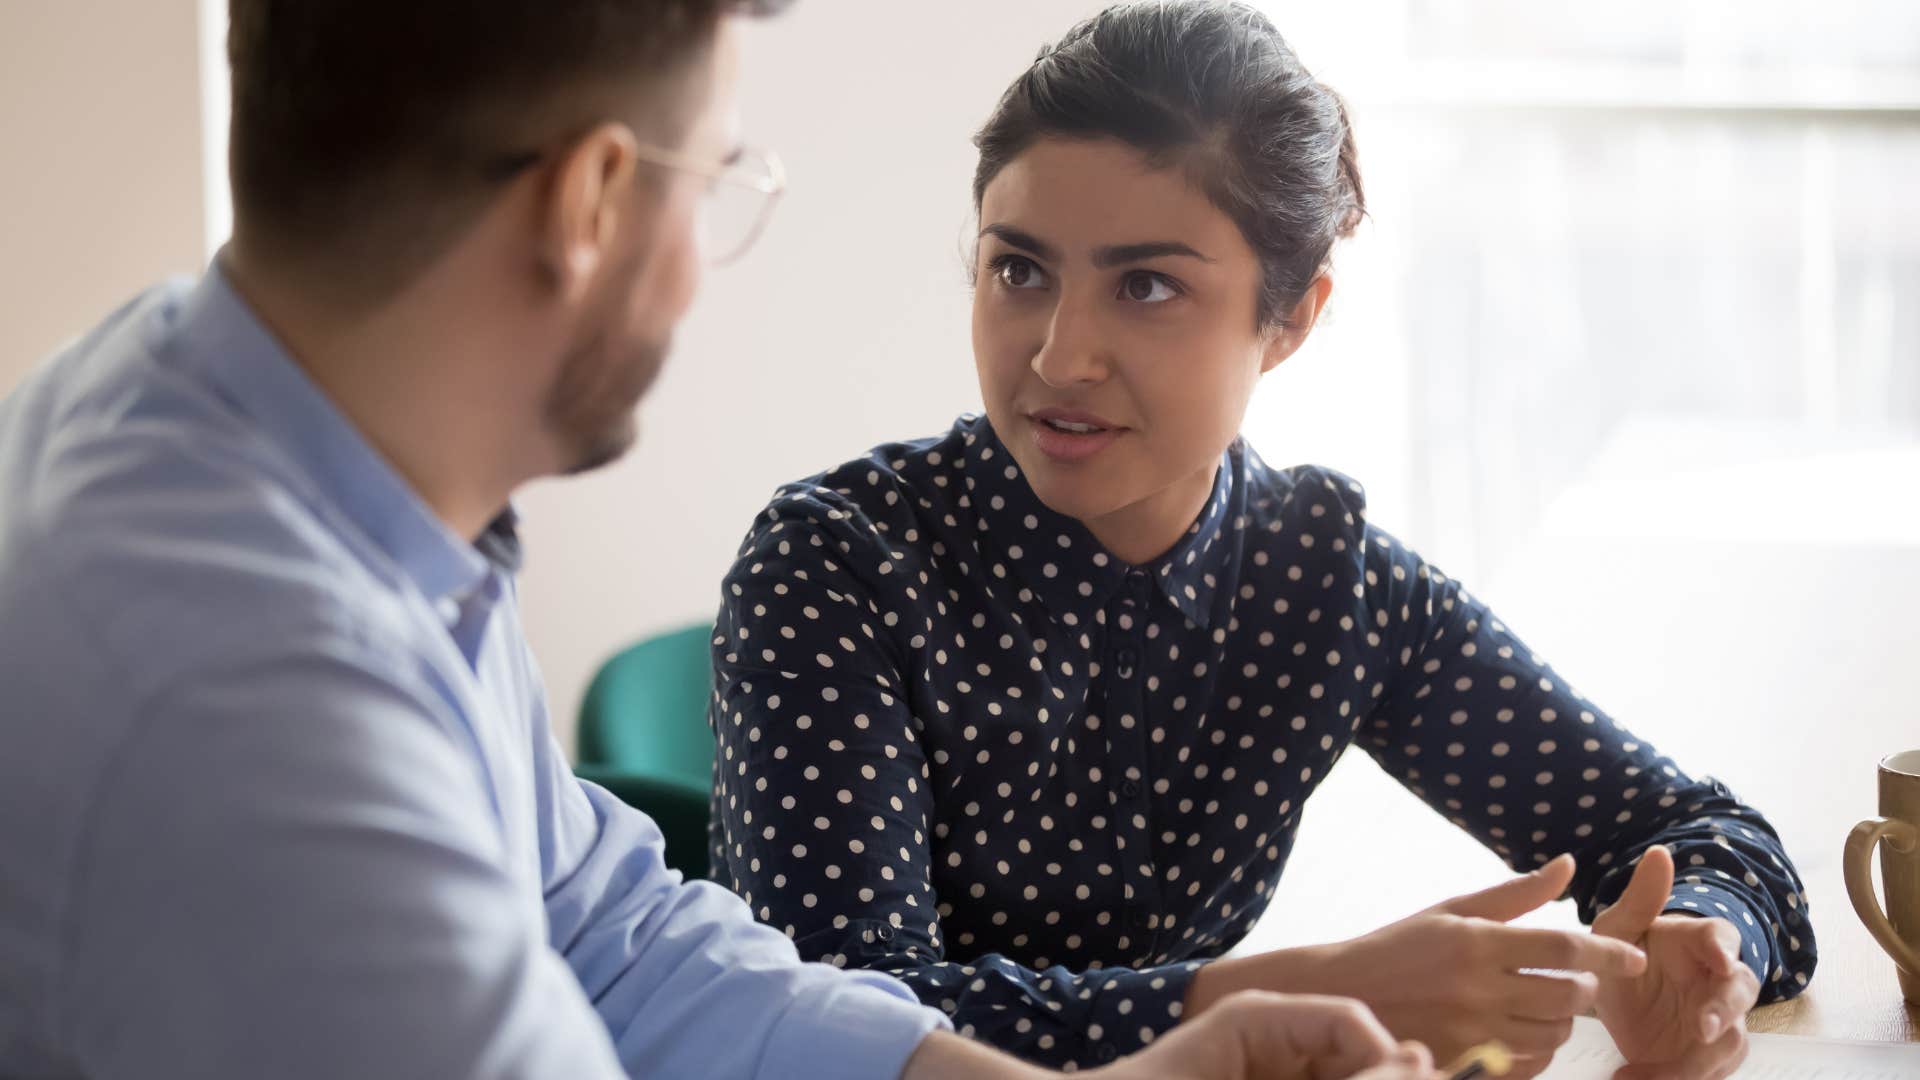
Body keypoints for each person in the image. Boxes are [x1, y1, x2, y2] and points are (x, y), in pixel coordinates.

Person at [0, 2, 1437, 1079]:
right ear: (593, 201)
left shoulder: (270, 449)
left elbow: (614, 933)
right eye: (721, 175)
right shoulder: (253, 719)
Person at [708, 2, 1815, 1077]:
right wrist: (1317, 997)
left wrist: (1703, 951)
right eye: (1020, 270)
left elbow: (1699, 830)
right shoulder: (836, 567)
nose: (1058, 356)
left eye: (1146, 286)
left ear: (1291, 318)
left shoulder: (1322, 585)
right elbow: (833, 1025)